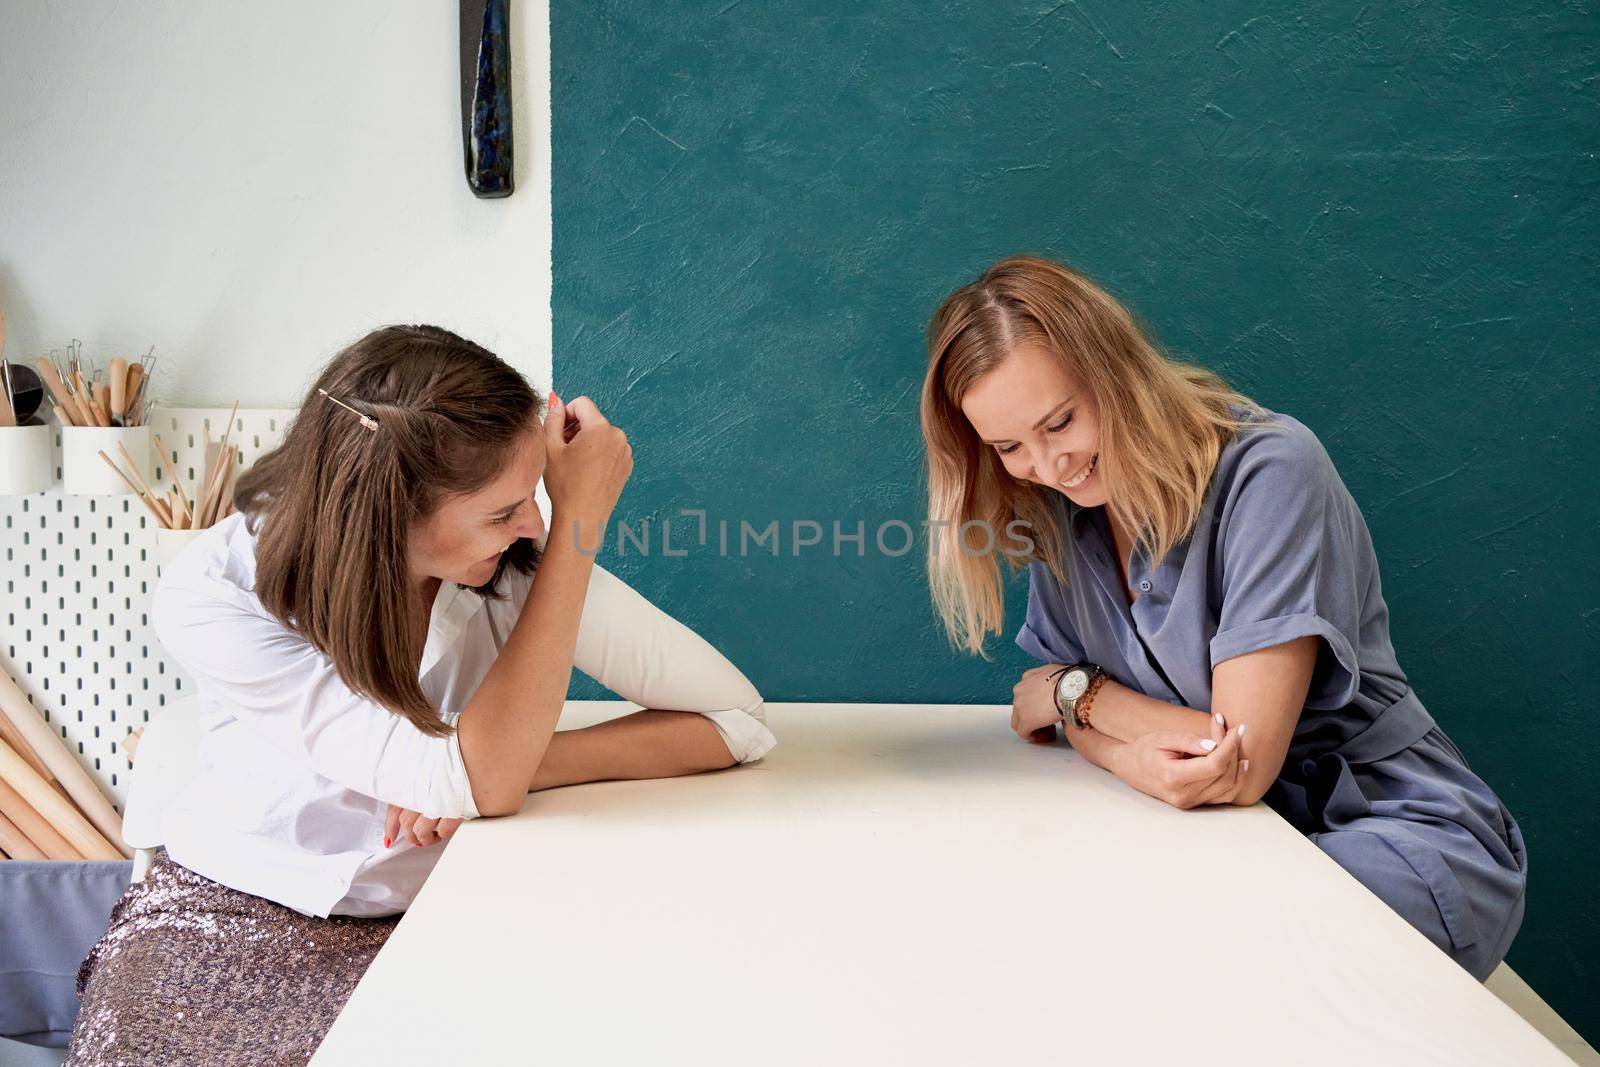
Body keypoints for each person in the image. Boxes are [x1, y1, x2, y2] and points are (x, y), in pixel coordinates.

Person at [67, 325, 774, 1065]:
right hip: (229, 911)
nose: (535, 523)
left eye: (534, 497)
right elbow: (475, 778)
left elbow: (736, 719)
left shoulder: (521, 567)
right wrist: (478, 769)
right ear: (386, 513)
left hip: (452, 909)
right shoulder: (217, 591)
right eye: (502, 512)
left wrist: (519, 759)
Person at [919, 255, 1526, 981]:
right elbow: (1050, 722)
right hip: (1228, 842)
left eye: (1061, 421)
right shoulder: (1067, 518)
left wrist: (1082, 697)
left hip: (1394, 835)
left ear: (1116, 369)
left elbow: (1233, 758)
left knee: (1185, 957)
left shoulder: (1271, 470)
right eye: (1009, 447)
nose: (1050, 465)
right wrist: (1104, 729)